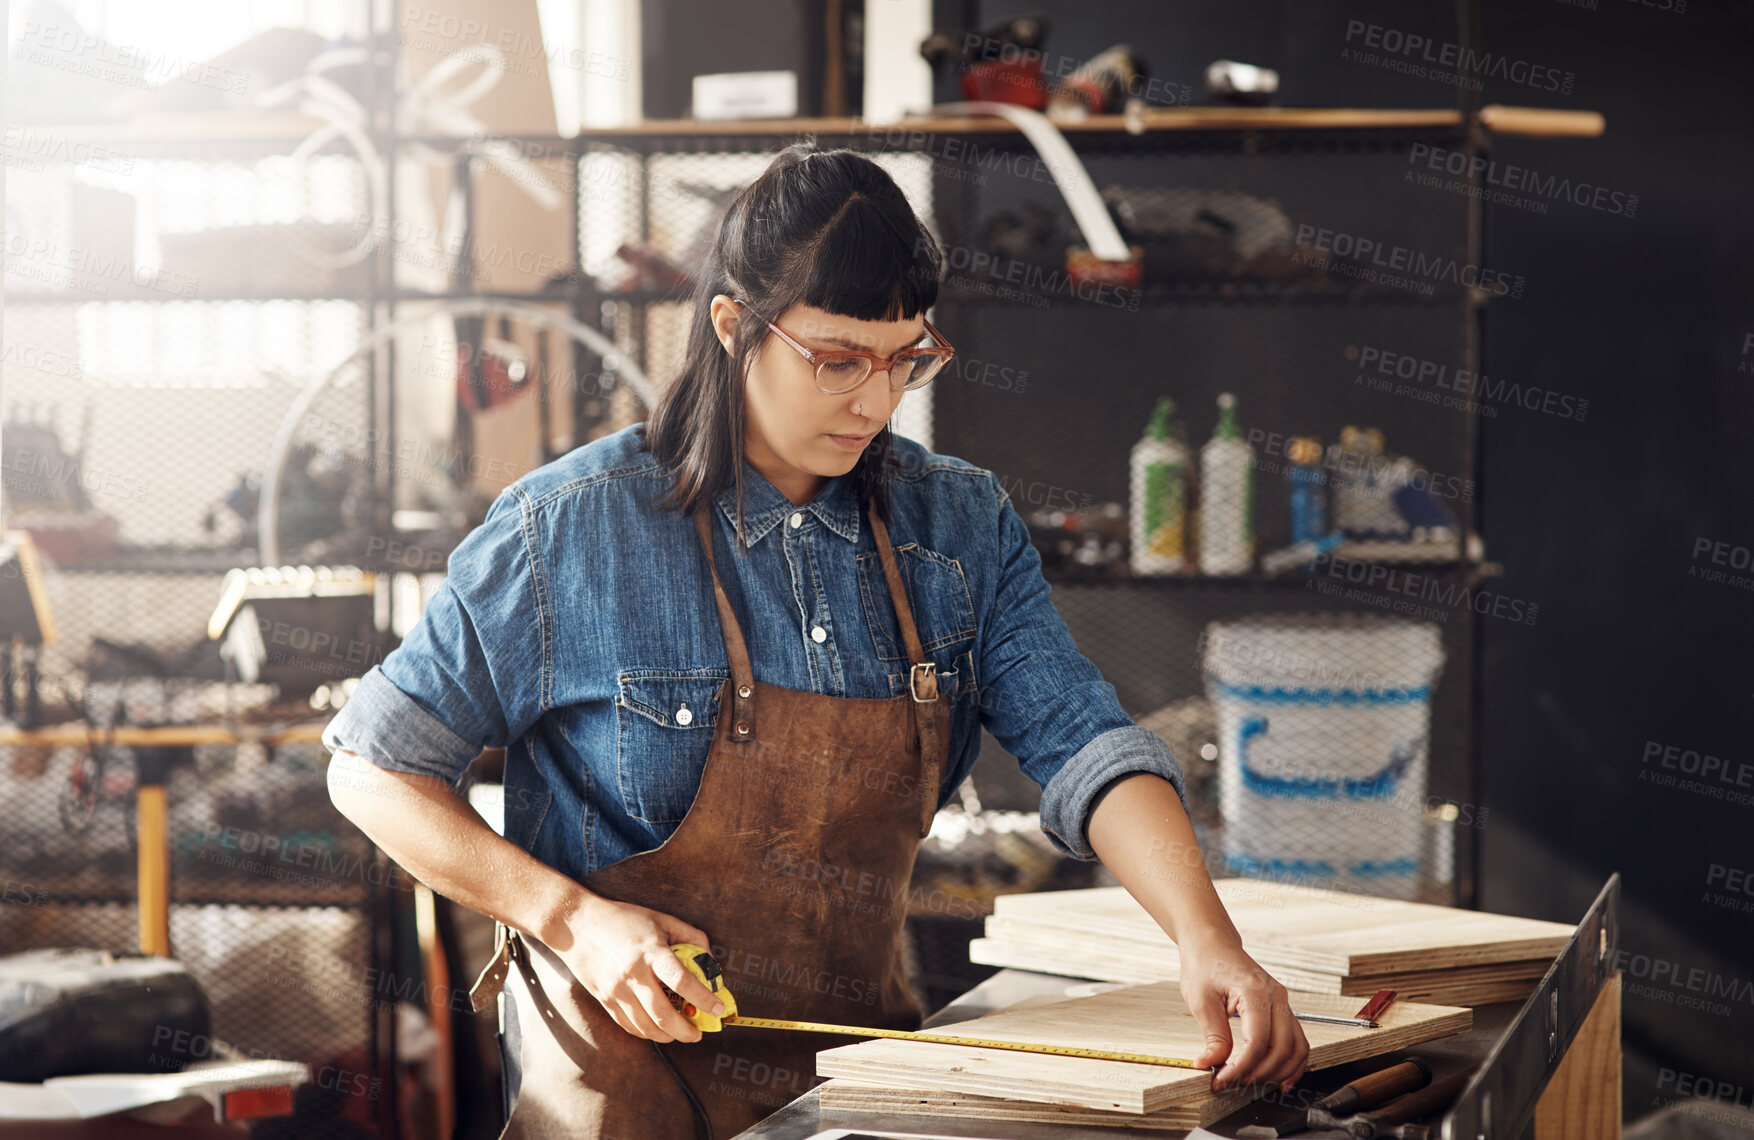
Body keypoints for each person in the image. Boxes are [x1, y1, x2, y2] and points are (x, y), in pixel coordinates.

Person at [323, 140, 1308, 1140]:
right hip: (617, 1076)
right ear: (731, 326)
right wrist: (571, 921)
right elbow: (371, 768)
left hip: (857, 1078)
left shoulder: (956, 525)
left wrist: (1206, 940)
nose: (876, 402)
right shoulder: (567, 529)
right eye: (836, 361)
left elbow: (1085, 743)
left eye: (906, 359)